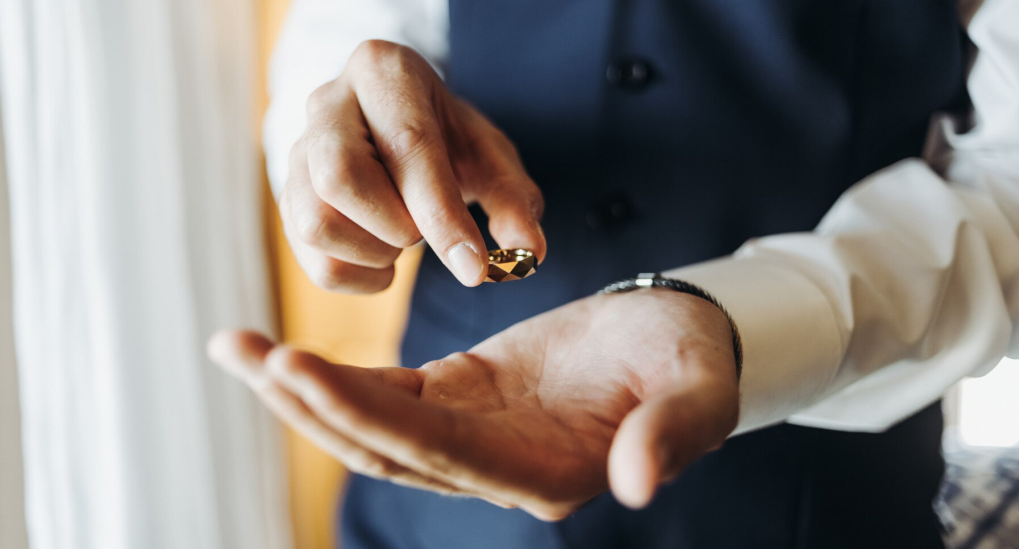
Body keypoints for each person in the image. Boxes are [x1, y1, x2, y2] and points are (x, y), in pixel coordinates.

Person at [209, 0, 1019, 547]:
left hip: (806, 500)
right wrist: (339, 145)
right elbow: (348, 33)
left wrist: (753, 321)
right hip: (435, 495)